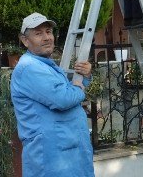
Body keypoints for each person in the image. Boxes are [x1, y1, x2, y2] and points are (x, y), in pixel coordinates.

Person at [10, 12, 95, 177]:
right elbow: (63, 99)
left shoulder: (45, 65)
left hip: (66, 154)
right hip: (51, 158)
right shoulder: (29, 68)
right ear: (25, 40)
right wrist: (79, 88)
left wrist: (85, 77)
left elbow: (66, 93)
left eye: (48, 31)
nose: (46, 37)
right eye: (38, 33)